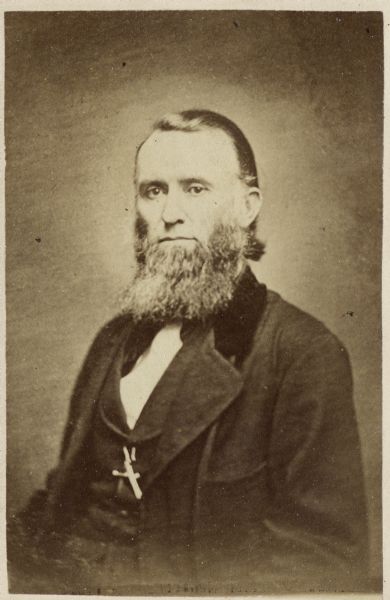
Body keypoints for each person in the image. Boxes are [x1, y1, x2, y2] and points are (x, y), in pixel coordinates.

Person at [8, 109, 368, 595]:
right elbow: (60, 505)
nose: (169, 213)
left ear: (246, 207)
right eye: (153, 191)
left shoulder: (303, 353)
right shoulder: (111, 341)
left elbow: (318, 559)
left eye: (195, 189)